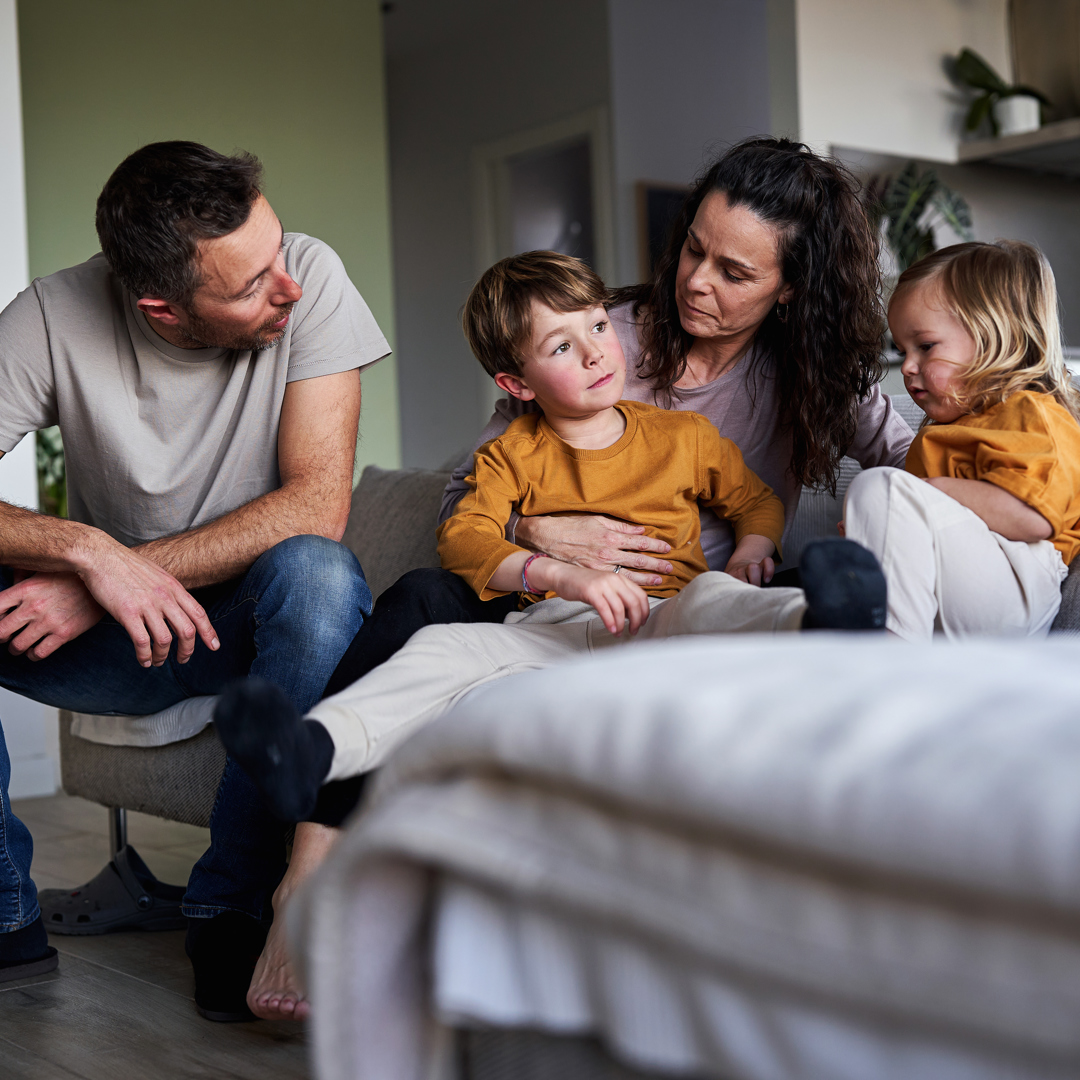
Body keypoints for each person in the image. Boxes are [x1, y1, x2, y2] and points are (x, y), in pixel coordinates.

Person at [211, 250, 887, 830]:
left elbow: (755, 501)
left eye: (598, 325)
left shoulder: (681, 438)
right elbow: (464, 541)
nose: (597, 350)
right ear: (517, 384)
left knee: (716, 595)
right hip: (552, 628)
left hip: (661, 617)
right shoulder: (511, 454)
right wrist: (559, 575)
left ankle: (824, 618)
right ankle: (310, 751)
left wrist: (752, 546)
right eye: (562, 346)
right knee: (441, 646)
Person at [0, 142, 390, 1022]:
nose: (283, 287)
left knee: (322, 575)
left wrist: (111, 574)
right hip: (113, 644)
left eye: (276, 253)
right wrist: (83, 553)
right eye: (248, 287)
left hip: (254, 623)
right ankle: (4, 911)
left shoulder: (311, 280)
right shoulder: (53, 315)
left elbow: (317, 506)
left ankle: (233, 907)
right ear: (163, 310)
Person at [324, 136, 914, 686]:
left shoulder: (816, 376)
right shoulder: (599, 338)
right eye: (693, 249)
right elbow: (462, 504)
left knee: (801, 593)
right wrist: (537, 532)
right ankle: (310, 767)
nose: (696, 282)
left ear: (790, 288)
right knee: (424, 594)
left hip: (696, 600)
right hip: (553, 600)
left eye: (734, 273)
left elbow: (914, 463)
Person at [843, 241, 1080, 639]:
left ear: (994, 335)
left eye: (925, 346)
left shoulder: (1030, 413)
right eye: (902, 351)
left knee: (881, 488)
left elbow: (1033, 519)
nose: (908, 366)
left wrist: (924, 493)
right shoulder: (939, 433)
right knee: (876, 501)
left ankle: (887, 663)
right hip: (960, 592)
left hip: (1021, 582)